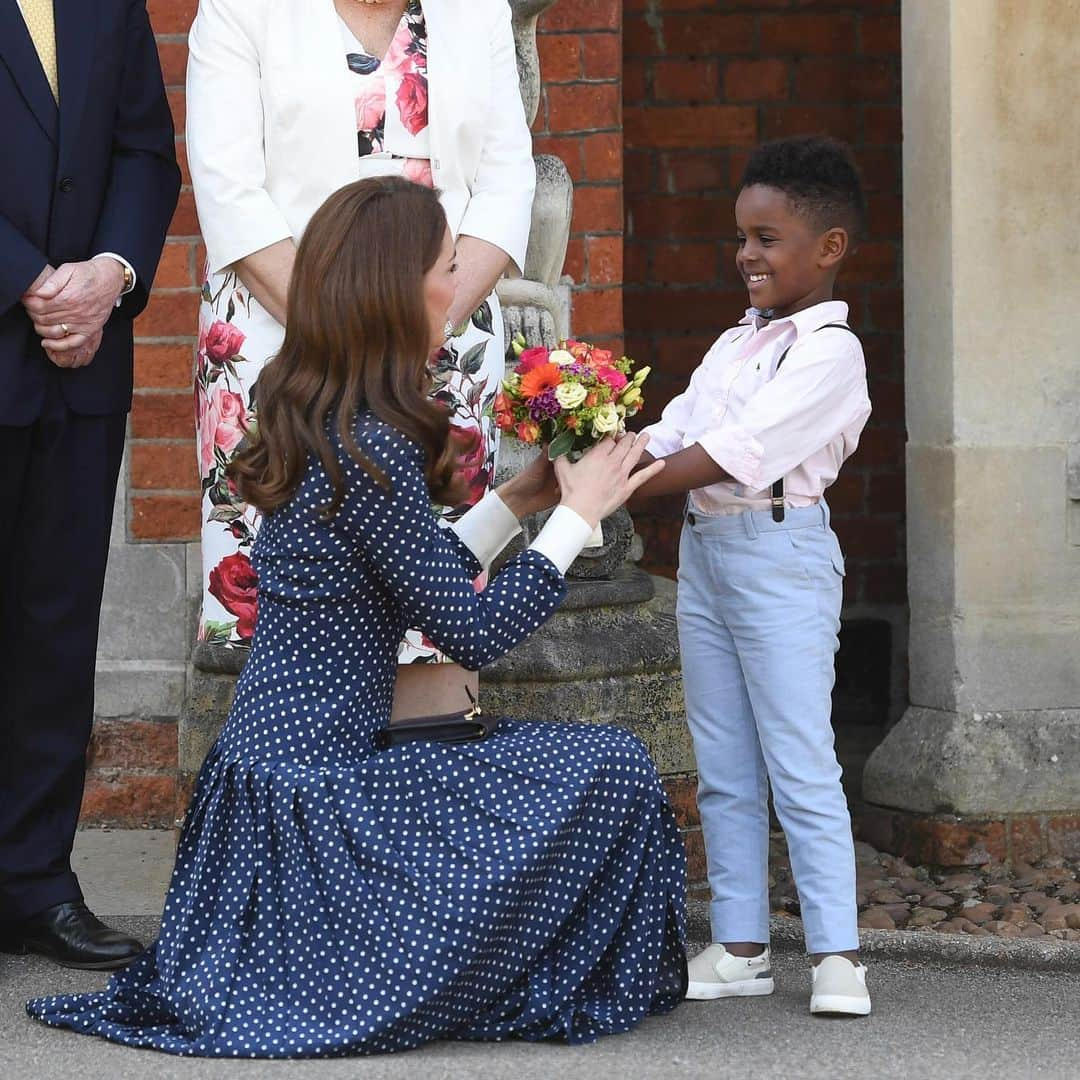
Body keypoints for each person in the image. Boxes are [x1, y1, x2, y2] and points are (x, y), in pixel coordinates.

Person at [26, 176, 687, 1055]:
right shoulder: (370, 443)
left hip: (277, 783)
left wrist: (523, 498)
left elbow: (417, 577)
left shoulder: (331, 416)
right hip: (319, 799)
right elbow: (475, 632)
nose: (459, 284)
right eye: (448, 267)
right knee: (609, 765)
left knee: (573, 763)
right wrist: (578, 516)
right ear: (398, 288)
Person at [187, 0, 534, 725]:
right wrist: (350, 331)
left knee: (437, 609)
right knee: (285, 597)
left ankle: (423, 816)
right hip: (283, 347)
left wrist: (425, 325)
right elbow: (228, 189)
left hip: (445, 346)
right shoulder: (238, 10)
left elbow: (506, 184)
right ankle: (290, 810)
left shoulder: (478, 12)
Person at [632, 136, 873, 1016]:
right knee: (725, 759)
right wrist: (597, 447)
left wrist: (611, 488)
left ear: (830, 247)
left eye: (767, 239)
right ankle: (739, 947)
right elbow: (678, 426)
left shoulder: (830, 352)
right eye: (743, 238)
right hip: (709, 553)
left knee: (800, 755)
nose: (747, 256)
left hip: (781, 555)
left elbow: (738, 451)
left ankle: (838, 957)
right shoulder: (736, 343)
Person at [0, 2, 180, 969]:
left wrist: (108, 274)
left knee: (58, 630)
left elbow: (146, 152)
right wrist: (28, 279)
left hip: (80, 366)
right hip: (14, 324)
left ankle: (34, 882)